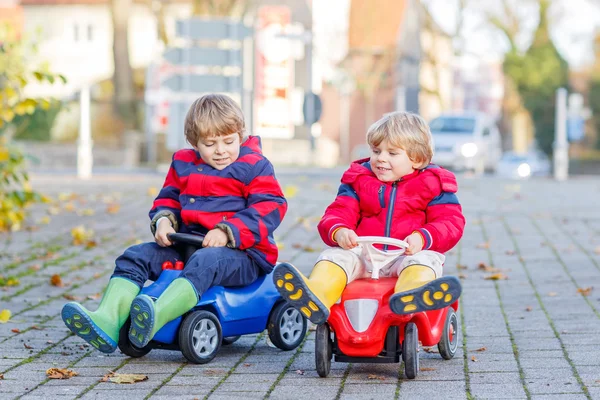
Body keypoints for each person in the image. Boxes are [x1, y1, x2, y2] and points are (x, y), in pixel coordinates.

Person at [62, 94, 287, 353]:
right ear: (195, 142)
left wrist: (228, 231)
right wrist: (164, 221)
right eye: (210, 144)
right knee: (136, 255)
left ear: (241, 135)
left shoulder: (254, 166)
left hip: (243, 255)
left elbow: (270, 206)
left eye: (229, 141)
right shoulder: (183, 163)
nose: (221, 150)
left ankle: (157, 316)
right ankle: (108, 320)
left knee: (207, 261)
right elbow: (168, 198)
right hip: (189, 244)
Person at [273, 111, 465, 324]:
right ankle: (317, 293)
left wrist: (423, 237)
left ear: (417, 159)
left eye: (392, 153)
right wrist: (340, 231)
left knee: (423, 262)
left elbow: (450, 222)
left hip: (407, 253)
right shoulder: (360, 180)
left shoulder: (433, 184)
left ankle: (411, 295)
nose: (381, 158)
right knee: (336, 257)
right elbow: (339, 211)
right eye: (376, 151)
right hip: (365, 253)